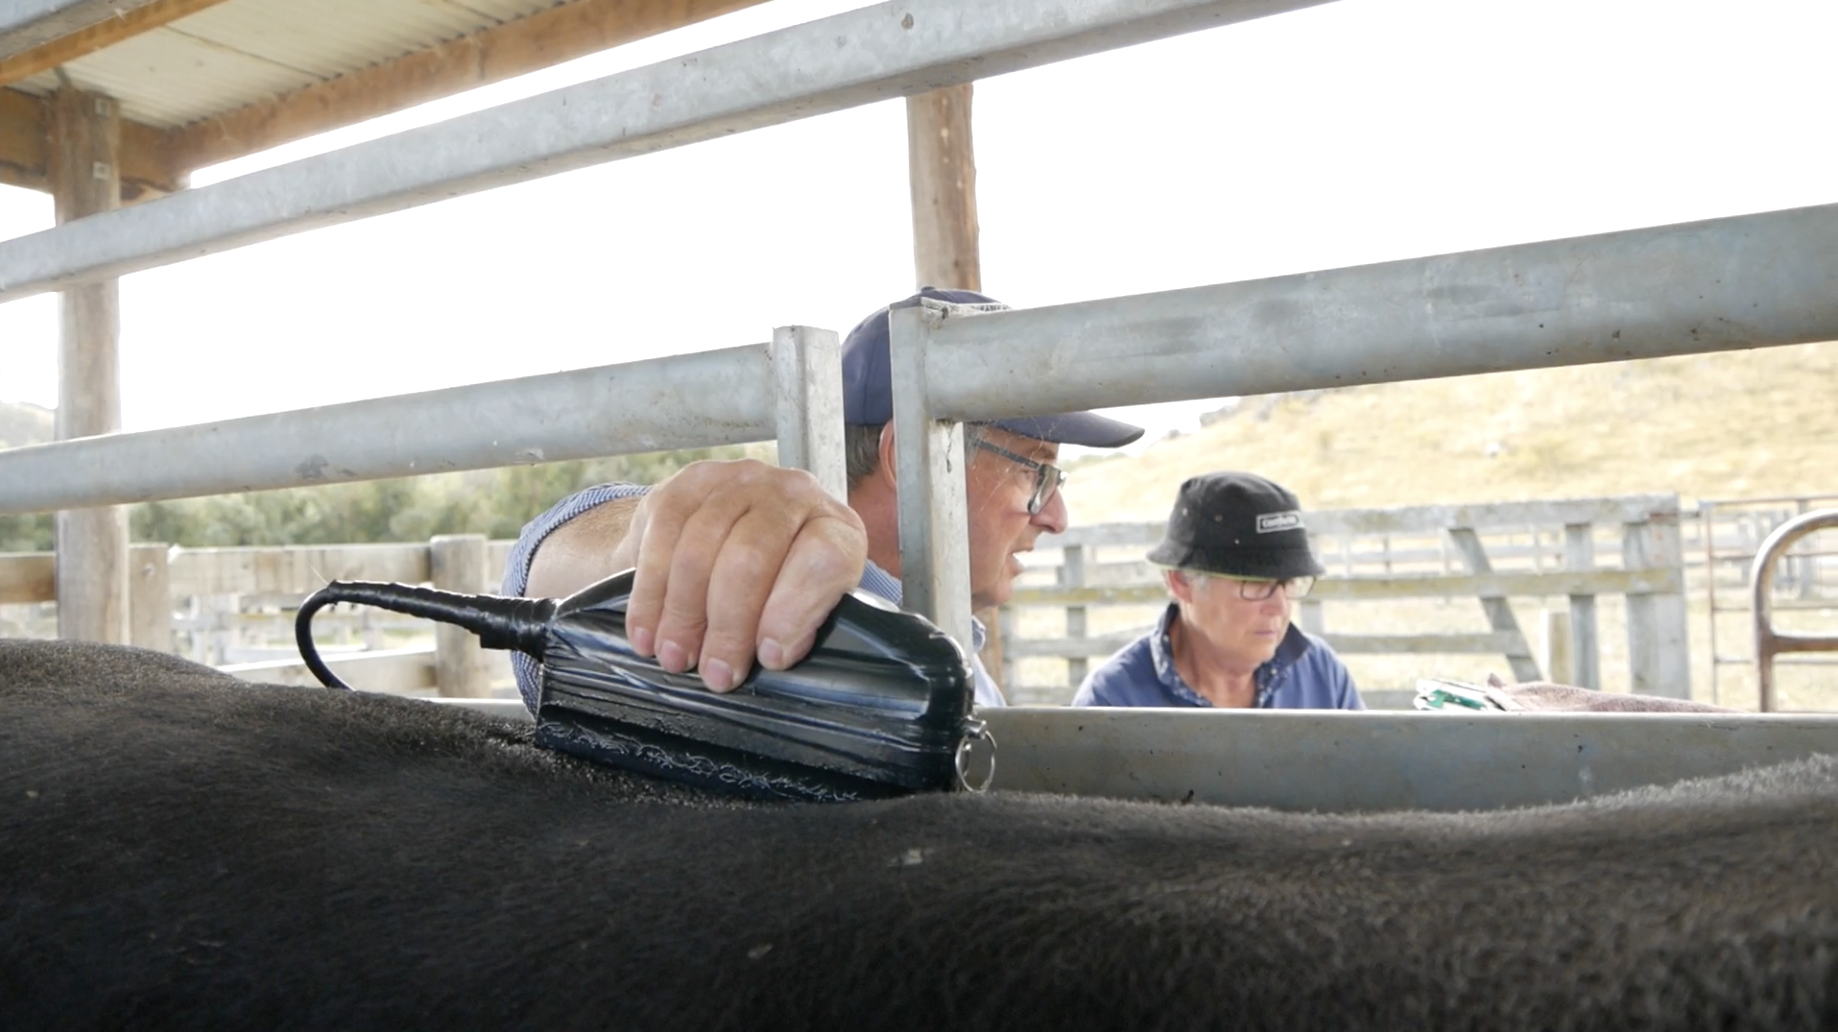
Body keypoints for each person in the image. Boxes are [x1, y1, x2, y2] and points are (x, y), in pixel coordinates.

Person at [502, 288, 1144, 709]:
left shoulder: (945, 647)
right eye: (1038, 475)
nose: (1056, 517)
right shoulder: (764, 610)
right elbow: (544, 575)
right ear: (910, 456)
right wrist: (649, 536)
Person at [1071, 471, 1363, 710]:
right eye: (1255, 584)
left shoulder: (1322, 675)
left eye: (1289, 583)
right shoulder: (1111, 704)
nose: (1280, 607)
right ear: (1181, 582)